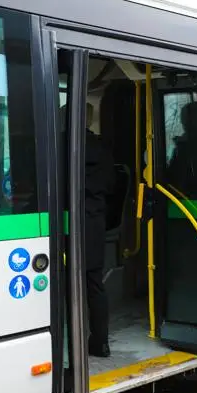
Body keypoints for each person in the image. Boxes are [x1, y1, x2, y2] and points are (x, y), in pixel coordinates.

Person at [85, 103, 115, 358]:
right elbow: (111, 185)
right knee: (94, 285)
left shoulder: (60, 146)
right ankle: (101, 341)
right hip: (94, 223)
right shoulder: (102, 149)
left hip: (67, 225)